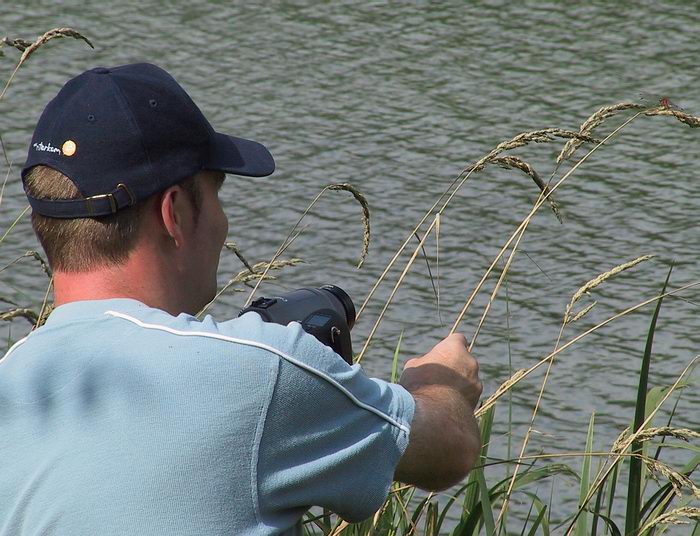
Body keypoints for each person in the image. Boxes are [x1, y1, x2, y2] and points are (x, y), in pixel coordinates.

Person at [0, 63, 482, 535]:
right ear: (175, 213)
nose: (224, 221)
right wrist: (443, 385)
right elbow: (450, 448)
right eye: (217, 195)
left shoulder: (12, 387)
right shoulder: (260, 373)